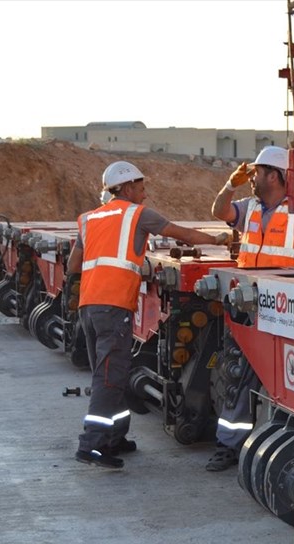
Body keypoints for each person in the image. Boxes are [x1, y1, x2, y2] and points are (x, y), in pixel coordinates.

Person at [67, 160, 231, 469]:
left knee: (110, 373)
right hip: (114, 305)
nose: (144, 193)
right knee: (108, 378)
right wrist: (218, 240)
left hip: (89, 306)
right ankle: (91, 445)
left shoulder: (88, 218)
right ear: (128, 187)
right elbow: (181, 234)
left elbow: (73, 266)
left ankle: (115, 438)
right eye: (141, 188)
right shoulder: (138, 214)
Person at [206, 146, 294, 471]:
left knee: (289, 380)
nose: (251, 178)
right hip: (248, 303)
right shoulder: (249, 207)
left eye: (257, 173)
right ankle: (228, 444)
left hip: (286, 307)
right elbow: (219, 211)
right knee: (237, 375)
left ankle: (285, 443)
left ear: (274, 176)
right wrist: (229, 185)